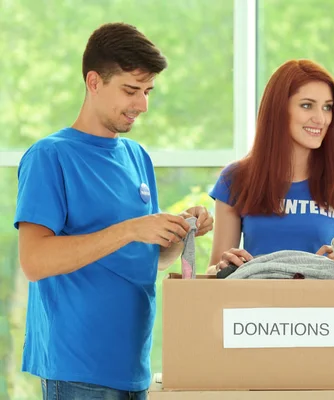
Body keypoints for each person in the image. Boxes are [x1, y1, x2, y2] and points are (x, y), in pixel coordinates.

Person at [14, 22, 213, 399]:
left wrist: (179, 230)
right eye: (131, 90)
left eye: (148, 91)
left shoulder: (136, 157)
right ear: (93, 82)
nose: (142, 105)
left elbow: (148, 260)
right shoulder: (49, 156)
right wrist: (131, 229)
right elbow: (35, 260)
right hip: (76, 369)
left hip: (132, 367)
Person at [208, 59, 334, 273]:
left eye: (328, 107)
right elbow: (213, 270)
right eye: (307, 105)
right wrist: (224, 266)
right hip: (256, 304)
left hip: (328, 304)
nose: (321, 118)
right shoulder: (236, 178)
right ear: (278, 109)